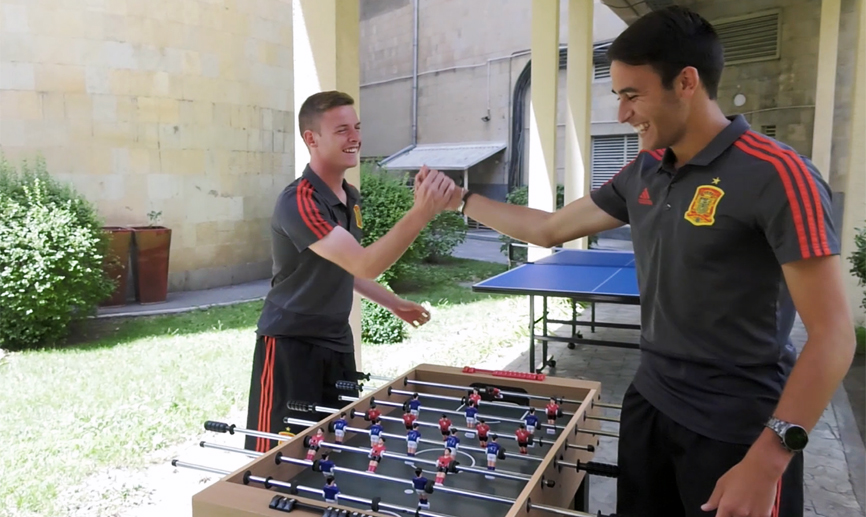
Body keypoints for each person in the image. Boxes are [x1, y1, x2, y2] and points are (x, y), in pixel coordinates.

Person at [419, 6, 855, 517]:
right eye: (617, 96)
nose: (622, 113)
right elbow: (549, 228)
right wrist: (462, 201)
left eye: (632, 95)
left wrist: (769, 458)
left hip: (736, 426)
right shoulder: (644, 169)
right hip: (649, 402)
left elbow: (832, 337)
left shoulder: (781, 175)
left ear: (687, 82)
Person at [244, 90, 457, 452]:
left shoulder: (350, 197)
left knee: (335, 447)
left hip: (337, 342)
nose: (355, 137)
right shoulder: (300, 201)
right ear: (312, 139)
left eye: (356, 127)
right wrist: (421, 212)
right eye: (342, 130)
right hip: (291, 347)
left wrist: (392, 302)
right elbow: (364, 262)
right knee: (276, 458)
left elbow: (349, 268)